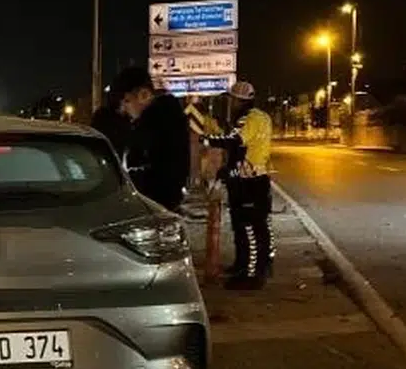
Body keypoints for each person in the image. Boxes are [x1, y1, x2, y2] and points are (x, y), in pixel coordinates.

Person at [204, 81, 273, 289]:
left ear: (238, 100)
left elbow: (234, 141)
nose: (230, 103)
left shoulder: (247, 119)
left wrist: (206, 140)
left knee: (249, 228)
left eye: (232, 100)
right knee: (256, 227)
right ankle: (249, 266)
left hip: (248, 181)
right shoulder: (263, 117)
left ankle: (251, 276)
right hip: (256, 179)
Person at [113, 66, 190, 213]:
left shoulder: (156, 125)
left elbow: (157, 172)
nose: (124, 108)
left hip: (152, 208)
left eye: (127, 101)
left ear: (144, 95)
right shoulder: (162, 120)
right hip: (157, 206)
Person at [90, 89, 132, 159]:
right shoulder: (103, 115)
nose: (128, 105)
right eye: (126, 101)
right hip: (104, 156)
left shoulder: (127, 118)